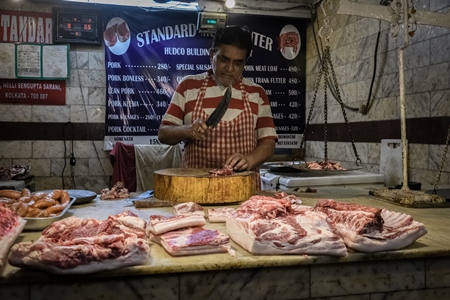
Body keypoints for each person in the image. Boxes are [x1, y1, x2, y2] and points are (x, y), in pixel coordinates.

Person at [158, 25, 278, 188]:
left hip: (242, 190)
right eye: (224, 59)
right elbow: (163, 133)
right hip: (195, 188)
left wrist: (249, 159)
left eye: (237, 63)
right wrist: (187, 130)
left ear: (245, 63)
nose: (229, 68)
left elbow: (268, 143)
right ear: (212, 54)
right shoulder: (188, 86)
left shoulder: (257, 93)